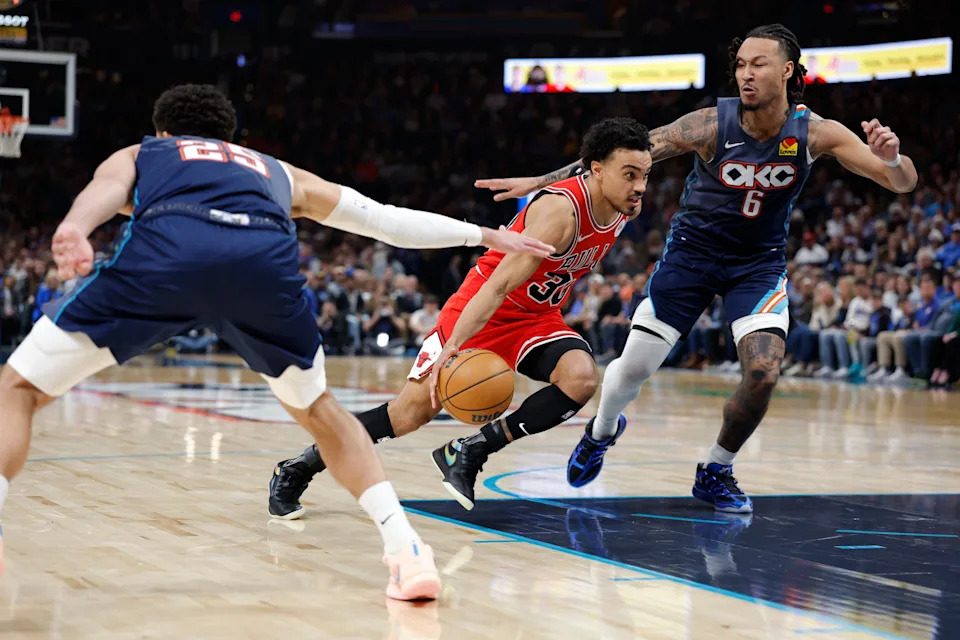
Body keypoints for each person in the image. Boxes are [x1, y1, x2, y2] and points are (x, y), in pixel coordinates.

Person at [0, 84, 555, 597]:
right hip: (261, 266)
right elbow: (383, 220)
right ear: (231, 139)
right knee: (322, 414)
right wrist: (482, 234)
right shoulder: (273, 169)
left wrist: (75, 227)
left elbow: (105, 190)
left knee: (17, 389)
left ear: (164, 132)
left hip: (166, 257)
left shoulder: (146, 153)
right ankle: (407, 552)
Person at [475, 24, 917, 512]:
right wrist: (540, 181)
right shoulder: (710, 125)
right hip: (691, 259)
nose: (745, 74)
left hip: (758, 265)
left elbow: (900, 182)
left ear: (788, 71)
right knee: (634, 369)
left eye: (759, 64)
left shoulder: (815, 132)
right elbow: (624, 153)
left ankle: (716, 470)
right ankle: (600, 431)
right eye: (741, 65)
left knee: (765, 372)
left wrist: (892, 159)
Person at [268, 118, 652, 516]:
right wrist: (452, 345)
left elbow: (593, 169)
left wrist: (535, 180)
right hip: (482, 309)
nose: (639, 186)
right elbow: (497, 287)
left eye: (645, 175)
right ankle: (298, 467)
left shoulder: (625, 205)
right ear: (597, 170)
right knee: (409, 414)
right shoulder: (561, 213)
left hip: (535, 317)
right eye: (629, 175)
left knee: (582, 377)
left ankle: (469, 450)